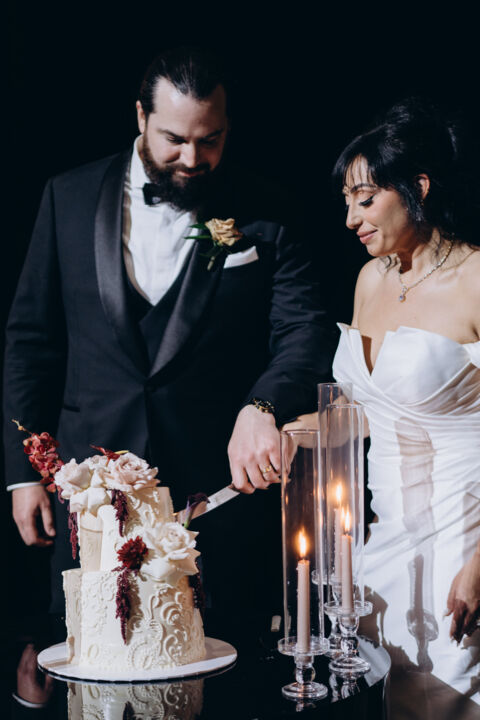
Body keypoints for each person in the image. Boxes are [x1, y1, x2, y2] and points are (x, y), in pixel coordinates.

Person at [4, 46, 333, 615]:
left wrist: (264, 405)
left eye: (210, 140)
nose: (193, 157)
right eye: (175, 139)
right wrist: (23, 474)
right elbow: (31, 340)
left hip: (218, 496)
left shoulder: (268, 209)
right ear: (141, 117)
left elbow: (304, 328)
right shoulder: (67, 196)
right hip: (91, 494)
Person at [332, 98, 480, 715]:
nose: (351, 219)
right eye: (347, 201)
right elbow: (366, 409)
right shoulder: (371, 280)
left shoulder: (475, 279)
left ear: (417, 188)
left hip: (463, 540)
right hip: (385, 540)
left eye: (365, 199)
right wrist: (281, 431)